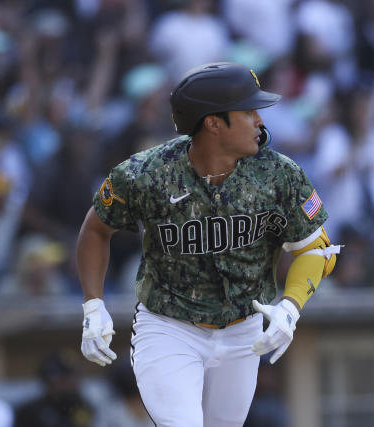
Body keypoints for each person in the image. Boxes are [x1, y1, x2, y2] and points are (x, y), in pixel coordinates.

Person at [76, 62, 340, 427]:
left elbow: (316, 249)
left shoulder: (279, 174)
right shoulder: (146, 174)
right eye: (248, 112)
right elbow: (95, 230)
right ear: (214, 123)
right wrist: (93, 305)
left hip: (244, 328)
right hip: (169, 326)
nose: (260, 121)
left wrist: (291, 307)